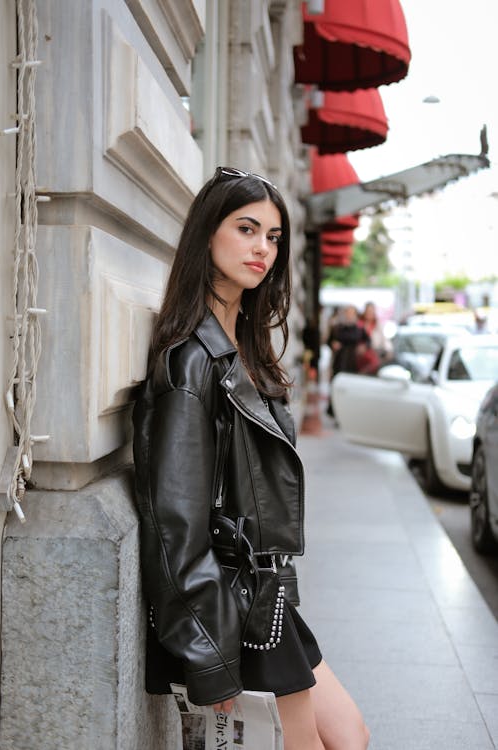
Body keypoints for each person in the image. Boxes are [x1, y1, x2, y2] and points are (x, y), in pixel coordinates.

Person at [132, 166, 369, 750]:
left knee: (351, 736)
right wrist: (210, 653)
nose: (262, 248)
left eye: (273, 236)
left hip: (268, 599)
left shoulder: (246, 349)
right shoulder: (191, 361)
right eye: (246, 229)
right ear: (207, 234)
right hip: (230, 608)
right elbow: (175, 523)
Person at [326, 305, 370, 414]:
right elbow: (328, 341)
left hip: (353, 362)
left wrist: (363, 347)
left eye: (352, 313)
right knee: (337, 386)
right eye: (348, 313)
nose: (349, 316)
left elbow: (368, 342)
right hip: (339, 362)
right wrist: (333, 345)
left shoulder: (360, 329)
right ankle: (336, 411)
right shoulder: (337, 328)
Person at [359, 302, 393, 369]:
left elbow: (384, 340)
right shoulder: (359, 324)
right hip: (361, 354)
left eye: (371, 311)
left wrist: (389, 350)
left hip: (375, 352)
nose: (369, 313)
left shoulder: (378, 325)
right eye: (368, 311)